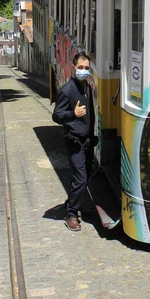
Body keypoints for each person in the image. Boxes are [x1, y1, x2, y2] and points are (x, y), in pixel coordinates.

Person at [52, 51, 97, 231]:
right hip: (74, 141)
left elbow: (90, 114)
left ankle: (72, 203)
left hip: (86, 141)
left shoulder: (86, 86)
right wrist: (73, 114)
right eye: (81, 68)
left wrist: (92, 135)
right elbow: (57, 115)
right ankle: (71, 213)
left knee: (84, 178)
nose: (84, 71)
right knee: (81, 179)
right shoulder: (67, 90)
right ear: (73, 68)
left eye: (87, 68)